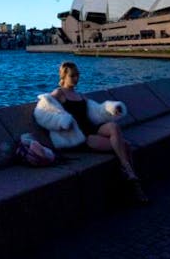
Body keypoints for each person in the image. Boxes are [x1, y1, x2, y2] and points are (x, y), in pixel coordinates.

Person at [33, 61, 149, 204]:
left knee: (113, 126)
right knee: (125, 146)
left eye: (78, 75)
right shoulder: (59, 93)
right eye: (73, 75)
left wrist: (113, 109)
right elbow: (42, 109)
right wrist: (61, 121)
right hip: (82, 136)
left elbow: (97, 110)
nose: (76, 78)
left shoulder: (80, 95)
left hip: (92, 128)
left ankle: (128, 172)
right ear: (64, 76)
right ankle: (135, 188)